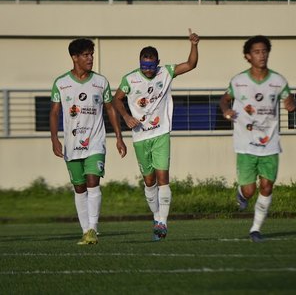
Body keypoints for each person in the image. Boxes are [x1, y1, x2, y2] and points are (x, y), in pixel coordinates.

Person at [113, 29, 200, 241]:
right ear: (140, 63)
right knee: (149, 181)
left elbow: (190, 65)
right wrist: (126, 116)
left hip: (161, 133)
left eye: (151, 66)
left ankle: (162, 223)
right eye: (144, 66)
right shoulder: (130, 79)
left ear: (157, 63)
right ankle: (156, 217)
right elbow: (116, 99)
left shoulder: (166, 72)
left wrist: (194, 45)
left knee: (163, 179)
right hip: (140, 136)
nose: (148, 70)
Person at [50, 38, 127, 245]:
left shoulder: (100, 82)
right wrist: (54, 139)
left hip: (95, 141)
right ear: (74, 57)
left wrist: (119, 137)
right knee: (80, 188)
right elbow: (54, 112)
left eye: (91, 54)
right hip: (72, 144)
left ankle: (93, 228)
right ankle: (85, 231)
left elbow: (110, 108)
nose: (91, 58)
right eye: (86, 55)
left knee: (93, 182)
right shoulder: (61, 83)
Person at [219, 35, 296, 242]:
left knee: (267, 187)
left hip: (270, 143)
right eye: (257, 52)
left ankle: (255, 229)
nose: (261, 55)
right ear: (248, 56)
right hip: (245, 143)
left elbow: (289, 97)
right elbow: (224, 100)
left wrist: (291, 103)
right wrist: (226, 111)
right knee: (250, 190)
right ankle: (242, 194)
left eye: (264, 51)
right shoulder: (238, 81)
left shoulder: (278, 81)